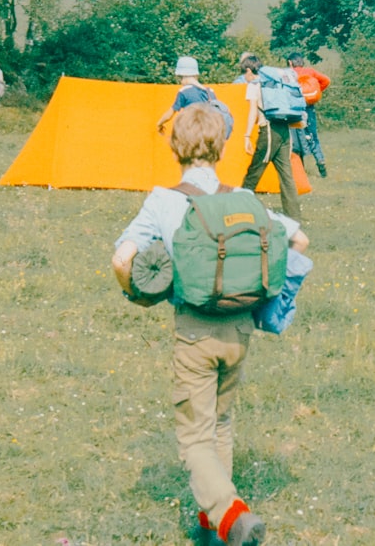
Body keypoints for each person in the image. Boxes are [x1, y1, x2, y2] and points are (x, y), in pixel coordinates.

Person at [112, 103, 308, 546]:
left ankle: (229, 514)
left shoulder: (163, 200)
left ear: (174, 146)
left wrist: (138, 292)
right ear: (220, 147)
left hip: (195, 329)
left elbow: (122, 258)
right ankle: (211, 522)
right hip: (240, 328)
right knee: (221, 422)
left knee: (195, 433)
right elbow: (298, 238)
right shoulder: (242, 198)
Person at [239, 53, 302, 221]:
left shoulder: (254, 84)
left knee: (254, 172)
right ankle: (294, 217)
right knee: (286, 175)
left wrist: (246, 135)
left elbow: (253, 111)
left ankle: (239, 210)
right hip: (284, 129)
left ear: (248, 70)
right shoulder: (275, 83)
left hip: (268, 130)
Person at [287, 53, 330, 178]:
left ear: (290, 62)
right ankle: (320, 161)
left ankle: (300, 170)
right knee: (312, 136)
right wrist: (316, 91)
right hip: (309, 107)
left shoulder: (288, 74)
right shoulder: (310, 71)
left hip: (294, 109)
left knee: (295, 139)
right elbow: (326, 80)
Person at [156, 55, 215, 135]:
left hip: (192, 133)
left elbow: (169, 115)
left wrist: (159, 124)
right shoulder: (210, 91)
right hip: (209, 133)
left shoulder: (184, 91)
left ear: (181, 76)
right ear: (196, 75)